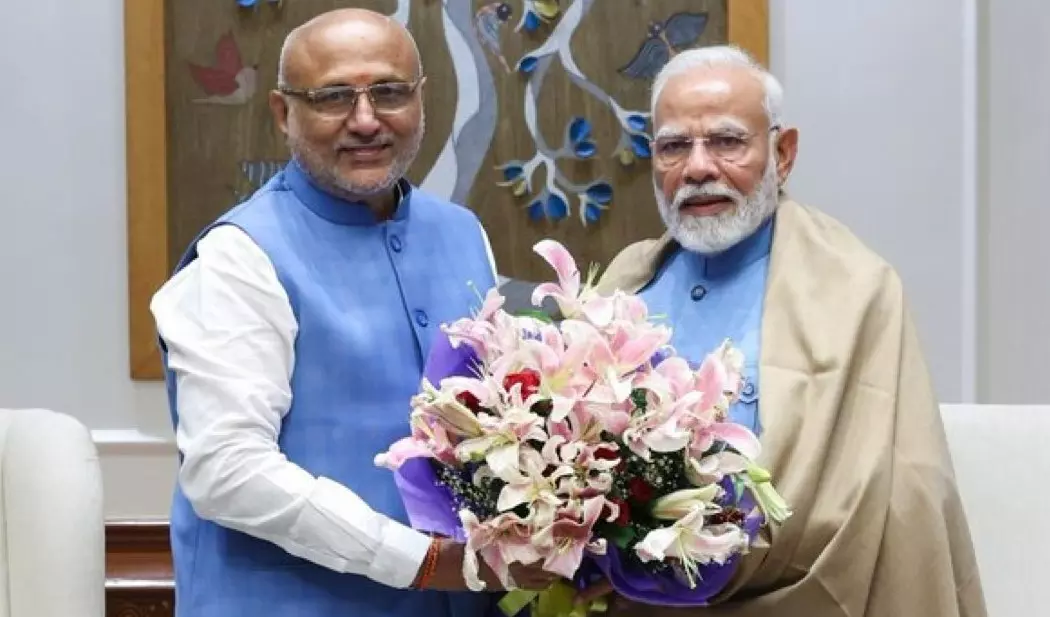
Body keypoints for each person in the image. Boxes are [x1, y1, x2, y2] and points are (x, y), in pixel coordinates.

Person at [150, 8, 555, 617]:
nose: (366, 121)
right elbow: (227, 471)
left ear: (420, 100)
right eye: (333, 97)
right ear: (283, 113)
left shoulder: (463, 232)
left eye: (389, 92)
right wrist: (420, 562)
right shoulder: (239, 255)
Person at [582, 45, 988, 616]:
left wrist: (702, 561)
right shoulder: (623, 284)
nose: (697, 168)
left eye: (727, 142)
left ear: (783, 152)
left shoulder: (856, 288)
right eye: (674, 146)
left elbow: (898, 492)